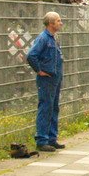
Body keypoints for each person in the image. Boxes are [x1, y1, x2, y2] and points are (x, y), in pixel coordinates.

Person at [26, 11, 64, 153]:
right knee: (46, 108)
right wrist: (39, 70)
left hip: (55, 77)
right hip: (46, 79)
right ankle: (42, 140)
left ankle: (51, 139)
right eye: (58, 21)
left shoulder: (54, 38)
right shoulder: (43, 38)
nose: (61, 23)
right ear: (51, 23)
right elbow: (31, 55)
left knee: (54, 107)